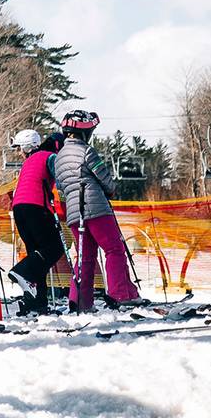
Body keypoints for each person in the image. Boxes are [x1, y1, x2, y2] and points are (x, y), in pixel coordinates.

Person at [53, 109, 143, 311]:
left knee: (85, 256)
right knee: (114, 249)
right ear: (85, 133)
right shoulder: (86, 151)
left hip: (74, 213)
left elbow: (62, 186)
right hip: (97, 208)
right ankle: (122, 294)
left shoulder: (58, 158)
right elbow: (106, 180)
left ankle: (80, 301)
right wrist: (111, 189)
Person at [7, 129, 66, 315]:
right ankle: (22, 271)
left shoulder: (29, 162)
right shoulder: (49, 157)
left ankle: (36, 303)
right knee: (54, 248)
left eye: (19, 148)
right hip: (36, 207)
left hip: (19, 209)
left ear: (26, 147)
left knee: (37, 254)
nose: (19, 153)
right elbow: (62, 179)